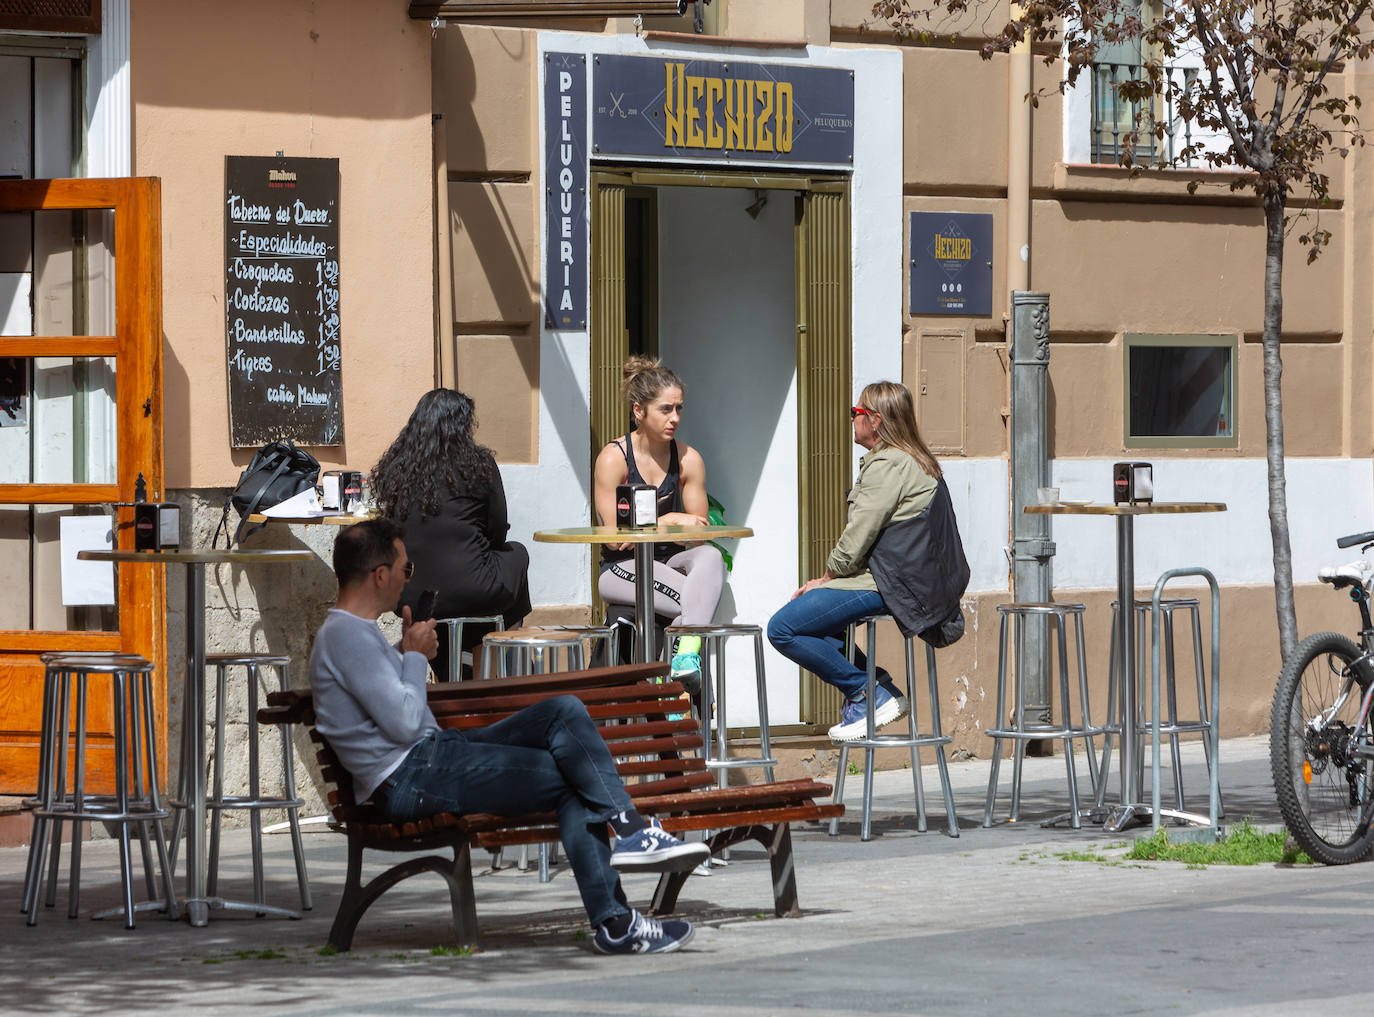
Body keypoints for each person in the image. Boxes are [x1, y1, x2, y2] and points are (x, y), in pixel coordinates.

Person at [308, 519, 710, 954]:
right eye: (407, 570)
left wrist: (401, 652)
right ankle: (616, 917)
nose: (411, 579)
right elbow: (405, 724)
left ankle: (628, 832)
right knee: (575, 787)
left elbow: (391, 707)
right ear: (380, 575)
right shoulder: (345, 635)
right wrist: (411, 657)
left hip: (434, 759)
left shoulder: (356, 635)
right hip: (412, 776)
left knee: (563, 710)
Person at [767, 381, 969, 743]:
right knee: (821, 624)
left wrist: (826, 577)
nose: (852, 420)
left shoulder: (888, 464)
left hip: (889, 584)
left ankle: (866, 692)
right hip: (905, 582)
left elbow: (859, 535)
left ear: (874, 420)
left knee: (783, 628)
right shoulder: (913, 460)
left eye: (855, 413)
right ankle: (880, 690)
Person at [370, 388, 530, 681]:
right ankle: (489, 665)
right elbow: (498, 529)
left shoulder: (396, 471)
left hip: (412, 594)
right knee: (516, 553)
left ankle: (452, 674)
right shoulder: (478, 465)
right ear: (461, 425)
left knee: (479, 582)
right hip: (472, 589)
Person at [592, 356, 726, 684]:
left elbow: (698, 535)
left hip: (669, 562)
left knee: (710, 556)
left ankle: (681, 664)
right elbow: (615, 538)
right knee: (696, 604)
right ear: (639, 411)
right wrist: (668, 520)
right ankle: (674, 688)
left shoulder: (688, 459)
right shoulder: (614, 458)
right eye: (666, 409)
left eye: (679, 408)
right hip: (622, 568)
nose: (675, 418)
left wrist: (683, 526)